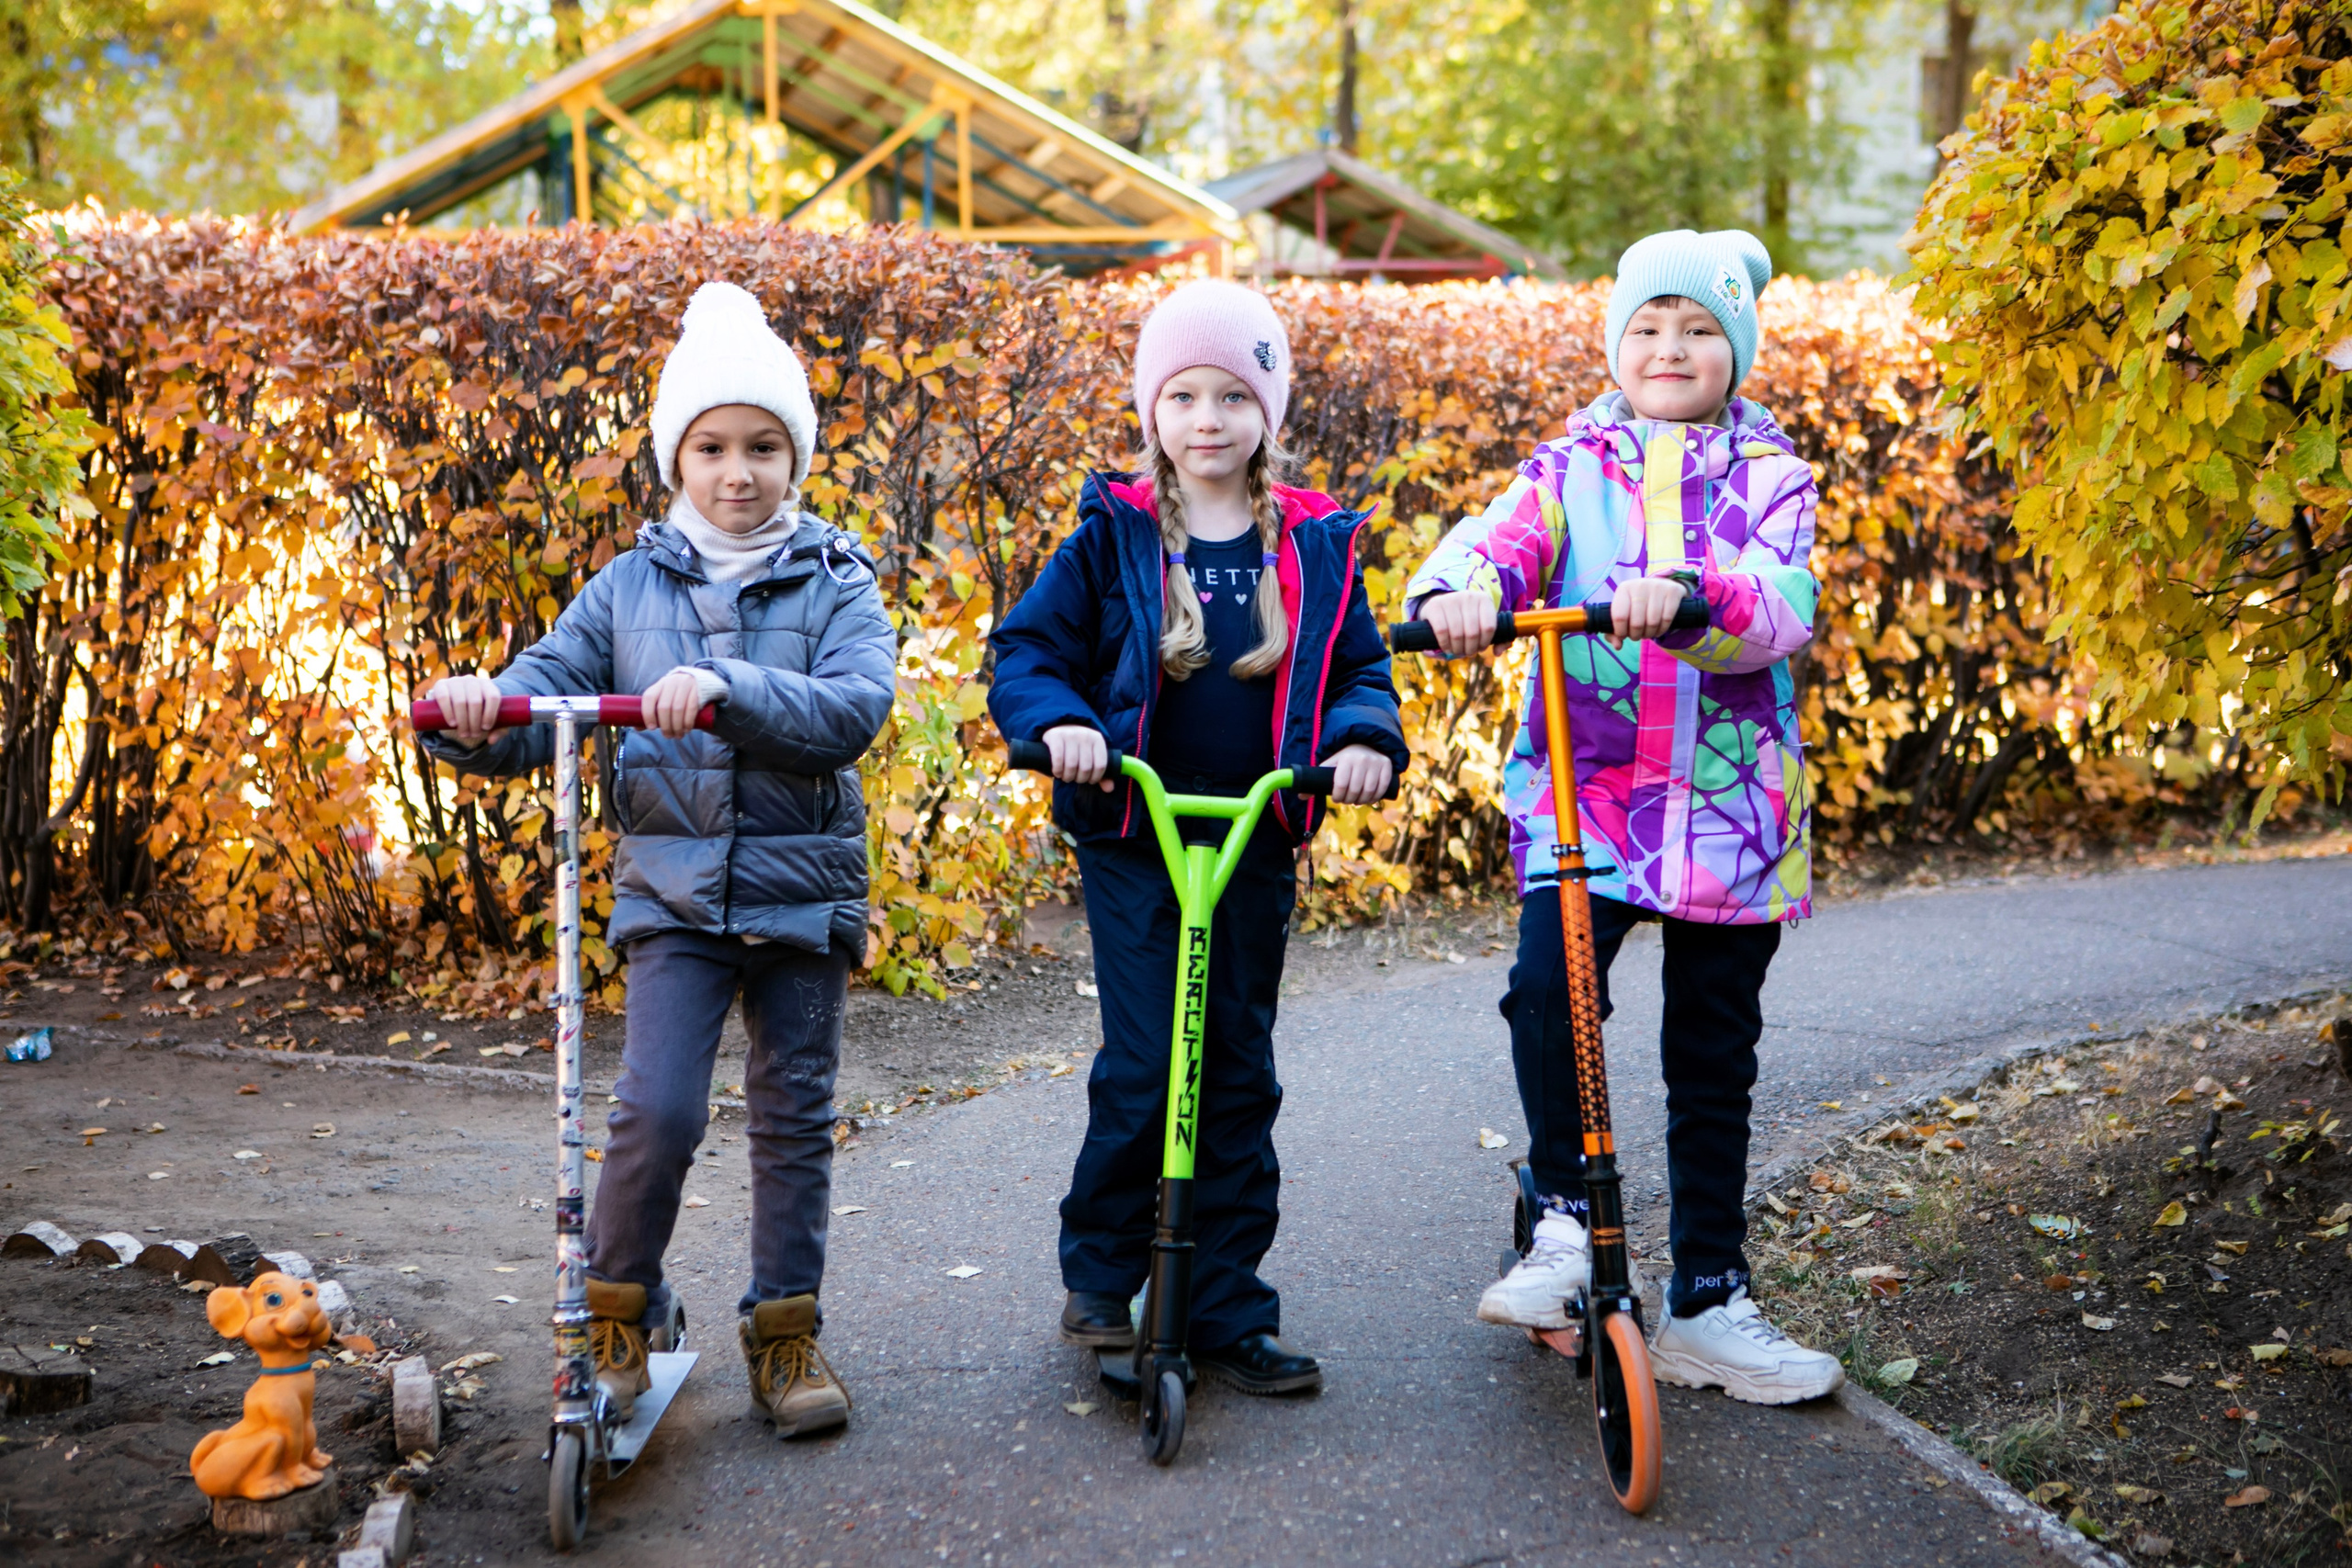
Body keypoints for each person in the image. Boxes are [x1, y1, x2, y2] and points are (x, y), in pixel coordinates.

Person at [422, 280, 895, 1438]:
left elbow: (852, 709)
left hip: (801, 900)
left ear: (797, 456)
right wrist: (488, 709)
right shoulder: (628, 585)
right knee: (657, 1110)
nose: (738, 473)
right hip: (674, 898)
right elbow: (548, 693)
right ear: (674, 457)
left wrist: (730, 692)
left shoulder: (838, 581)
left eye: (764, 448)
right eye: (713, 447)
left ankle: (786, 1337)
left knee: (791, 1114)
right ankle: (623, 1315)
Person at [1405, 230, 1844, 1404]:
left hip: (1728, 804)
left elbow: (1782, 605)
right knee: (1549, 995)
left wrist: (1695, 600)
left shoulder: (1774, 474)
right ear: (1615, 342)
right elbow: (1500, 542)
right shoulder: (1569, 464)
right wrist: (1461, 594)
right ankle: (1559, 1229)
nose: (1671, 347)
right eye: (1648, 326)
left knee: (1712, 1054)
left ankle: (1709, 1296)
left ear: (1735, 350)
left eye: (1699, 329)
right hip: (1586, 792)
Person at [989, 279, 1408, 1395]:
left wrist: (1364, 739)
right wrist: (1063, 725)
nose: (1208, 419)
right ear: (1153, 410)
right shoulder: (1112, 534)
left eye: (1233, 395)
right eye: (1184, 396)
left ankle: (1223, 1302)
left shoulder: (1314, 545)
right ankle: (1106, 1276)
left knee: (1233, 1070)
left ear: (1267, 413)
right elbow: (1026, 655)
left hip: (1252, 832)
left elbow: (1361, 668)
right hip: (1140, 829)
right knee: (1144, 1064)